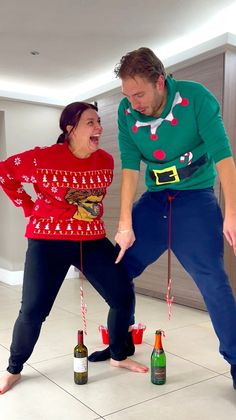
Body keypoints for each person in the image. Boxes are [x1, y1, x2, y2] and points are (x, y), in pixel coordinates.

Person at [88, 47, 236, 390]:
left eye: (139, 94)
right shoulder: (127, 112)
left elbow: (223, 156)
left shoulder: (196, 98)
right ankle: (120, 344)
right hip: (154, 202)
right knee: (117, 270)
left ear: (160, 80)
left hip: (195, 201)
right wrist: (124, 223)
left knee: (212, 281)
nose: (133, 102)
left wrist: (231, 212)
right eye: (127, 95)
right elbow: (129, 168)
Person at [0, 101, 148, 394]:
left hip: (91, 240)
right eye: (90, 123)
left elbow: (91, 203)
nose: (98, 128)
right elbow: (5, 173)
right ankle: (14, 368)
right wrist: (28, 205)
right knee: (33, 310)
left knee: (122, 295)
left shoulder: (105, 161)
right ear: (70, 129)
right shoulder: (42, 159)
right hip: (47, 241)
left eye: (98, 122)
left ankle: (118, 355)